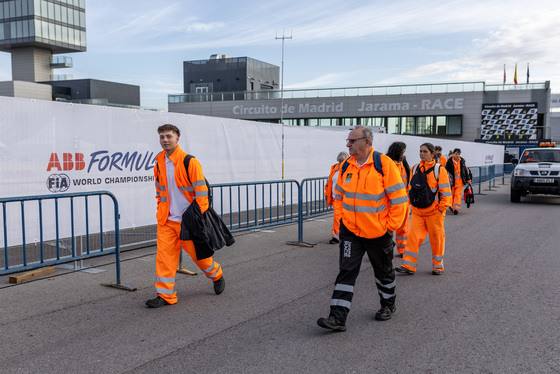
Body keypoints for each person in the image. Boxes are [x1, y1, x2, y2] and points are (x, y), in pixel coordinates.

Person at [317, 126, 408, 331]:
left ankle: (388, 305)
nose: (347, 144)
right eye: (347, 141)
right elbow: (338, 196)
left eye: (352, 140)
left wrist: (389, 227)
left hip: (379, 232)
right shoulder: (346, 166)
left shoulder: (384, 164)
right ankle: (337, 318)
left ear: (366, 142)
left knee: (383, 271)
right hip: (351, 231)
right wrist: (343, 221)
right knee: (346, 271)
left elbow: (400, 201)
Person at [146, 124, 225, 308]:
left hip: (188, 223)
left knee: (200, 258)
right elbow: (160, 193)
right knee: (164, 259)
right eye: (162, 137)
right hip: (167, 221)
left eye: (168, 136)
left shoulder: (190, 162)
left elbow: (202, 195)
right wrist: (161, 211)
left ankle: (217, 275)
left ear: (177, 138)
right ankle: (166, 296)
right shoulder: (158, 162)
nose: (165, 140)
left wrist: (197, 220)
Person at [395, 143, 452, 276]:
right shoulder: (415, 168)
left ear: (432, 154)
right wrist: (410, 205)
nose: (422, 154)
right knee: (413, 238)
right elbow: (410, 189)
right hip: (417, 212)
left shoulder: (439, 170)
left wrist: (440, 210)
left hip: (434, 213)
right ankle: (408, 265)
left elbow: (446, 193)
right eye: (420, 151)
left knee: (436, 239)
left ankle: (438, 266)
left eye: (425, 151)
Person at [385, 142, 410, 258]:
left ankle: (402, 248)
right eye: (403, 152)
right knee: (386, 227)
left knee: (403, 226)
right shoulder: (388, 164)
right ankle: (383, 248)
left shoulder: (403, 163)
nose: (404, 154)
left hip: (404, 201)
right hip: (390, 201)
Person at [324, 151, 350, 244]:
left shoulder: (350, 169)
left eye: (342, 162)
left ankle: (341, 235)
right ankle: (336, 235)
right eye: (339, 161)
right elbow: (329, 182)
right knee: (337, 217)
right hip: (336, 198)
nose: (340, 164)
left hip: (346, 198)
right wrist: (327, 194)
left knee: (344, 217)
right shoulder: (334, 168)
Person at [445, 148, 472, 215]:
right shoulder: (449, 162)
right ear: (453, 154)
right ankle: (452, 206)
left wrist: (468, 180)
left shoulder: (462, 162)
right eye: (456, 154)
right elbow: (445, 172)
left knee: (457, 195)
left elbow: (466, 171)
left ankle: (456, 208)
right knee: (452, 195)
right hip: (452, 183)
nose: (457, 156)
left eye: (459, 154)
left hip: (460, 183)